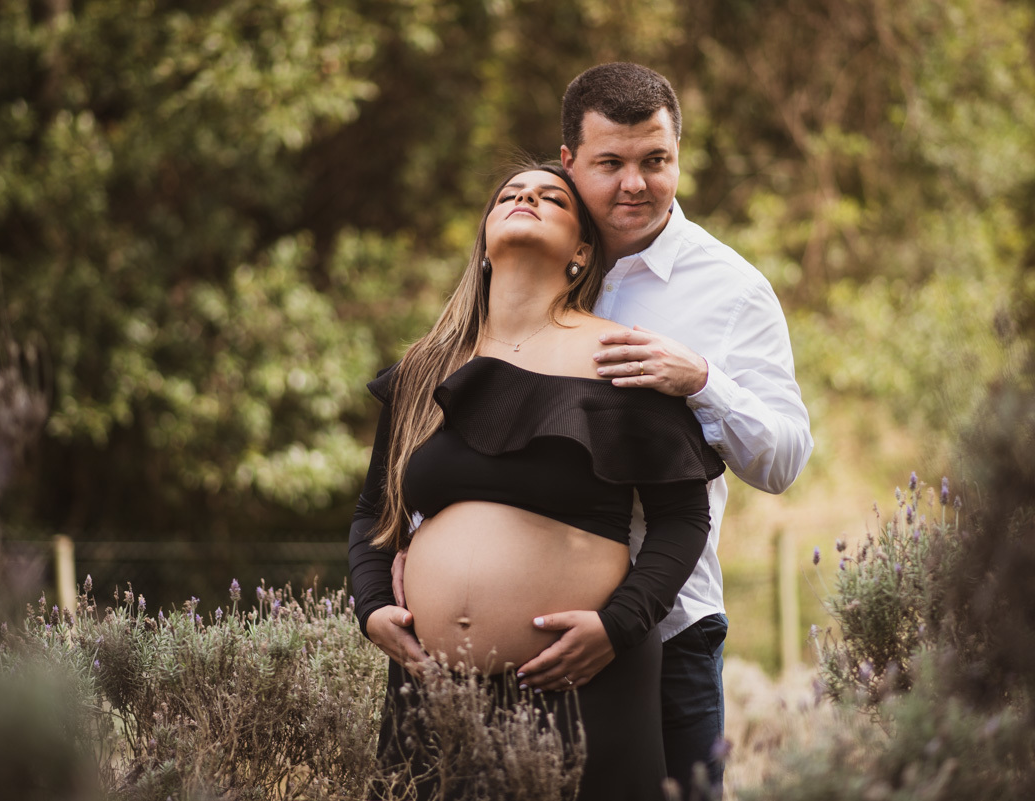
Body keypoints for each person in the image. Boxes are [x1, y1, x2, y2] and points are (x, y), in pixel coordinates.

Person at [348, 160, 725, 800]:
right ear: (486, 239)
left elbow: (684, 520)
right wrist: (371, 607)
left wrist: (618, 626)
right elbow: (371, 514)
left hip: (583, 686)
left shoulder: (623, 360)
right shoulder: (424, 367)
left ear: (581, 251)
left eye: (551, 196)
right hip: (434, 688)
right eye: (510, 195)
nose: (526, 198)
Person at [545, 62, 813, 797]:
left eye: (654, 161)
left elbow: (785, 458)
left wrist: (702, 379)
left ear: (677, 158)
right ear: (569, 160)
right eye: (611, 163)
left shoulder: (731, 289)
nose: (635, 183)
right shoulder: (532, 257)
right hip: (531, 636)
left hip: (671, 631)